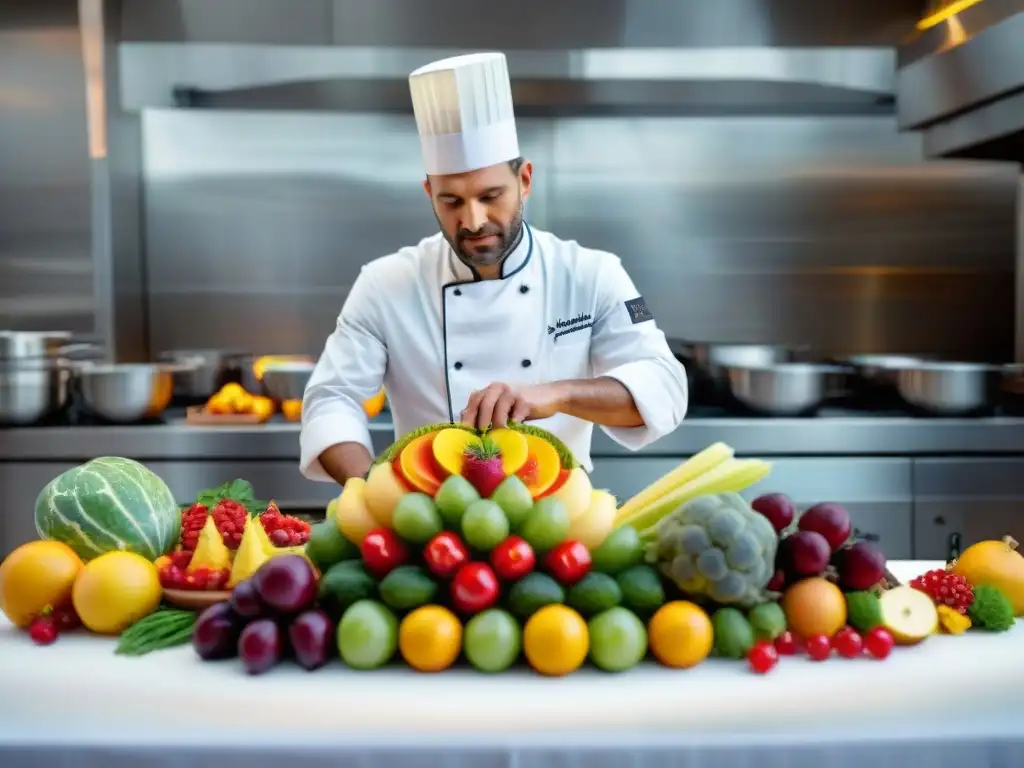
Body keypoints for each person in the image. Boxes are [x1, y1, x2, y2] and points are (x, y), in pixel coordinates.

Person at [300, 52, 688, 485]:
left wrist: (554, 394)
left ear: (525, 181)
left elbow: (663, 384)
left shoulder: (592, 274)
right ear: (429, 192)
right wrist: (374, 493)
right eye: (451, 201)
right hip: (426, 522)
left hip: (557, 522)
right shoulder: (385, 284)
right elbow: (331, 398)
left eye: (490, 196)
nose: (473, 221)